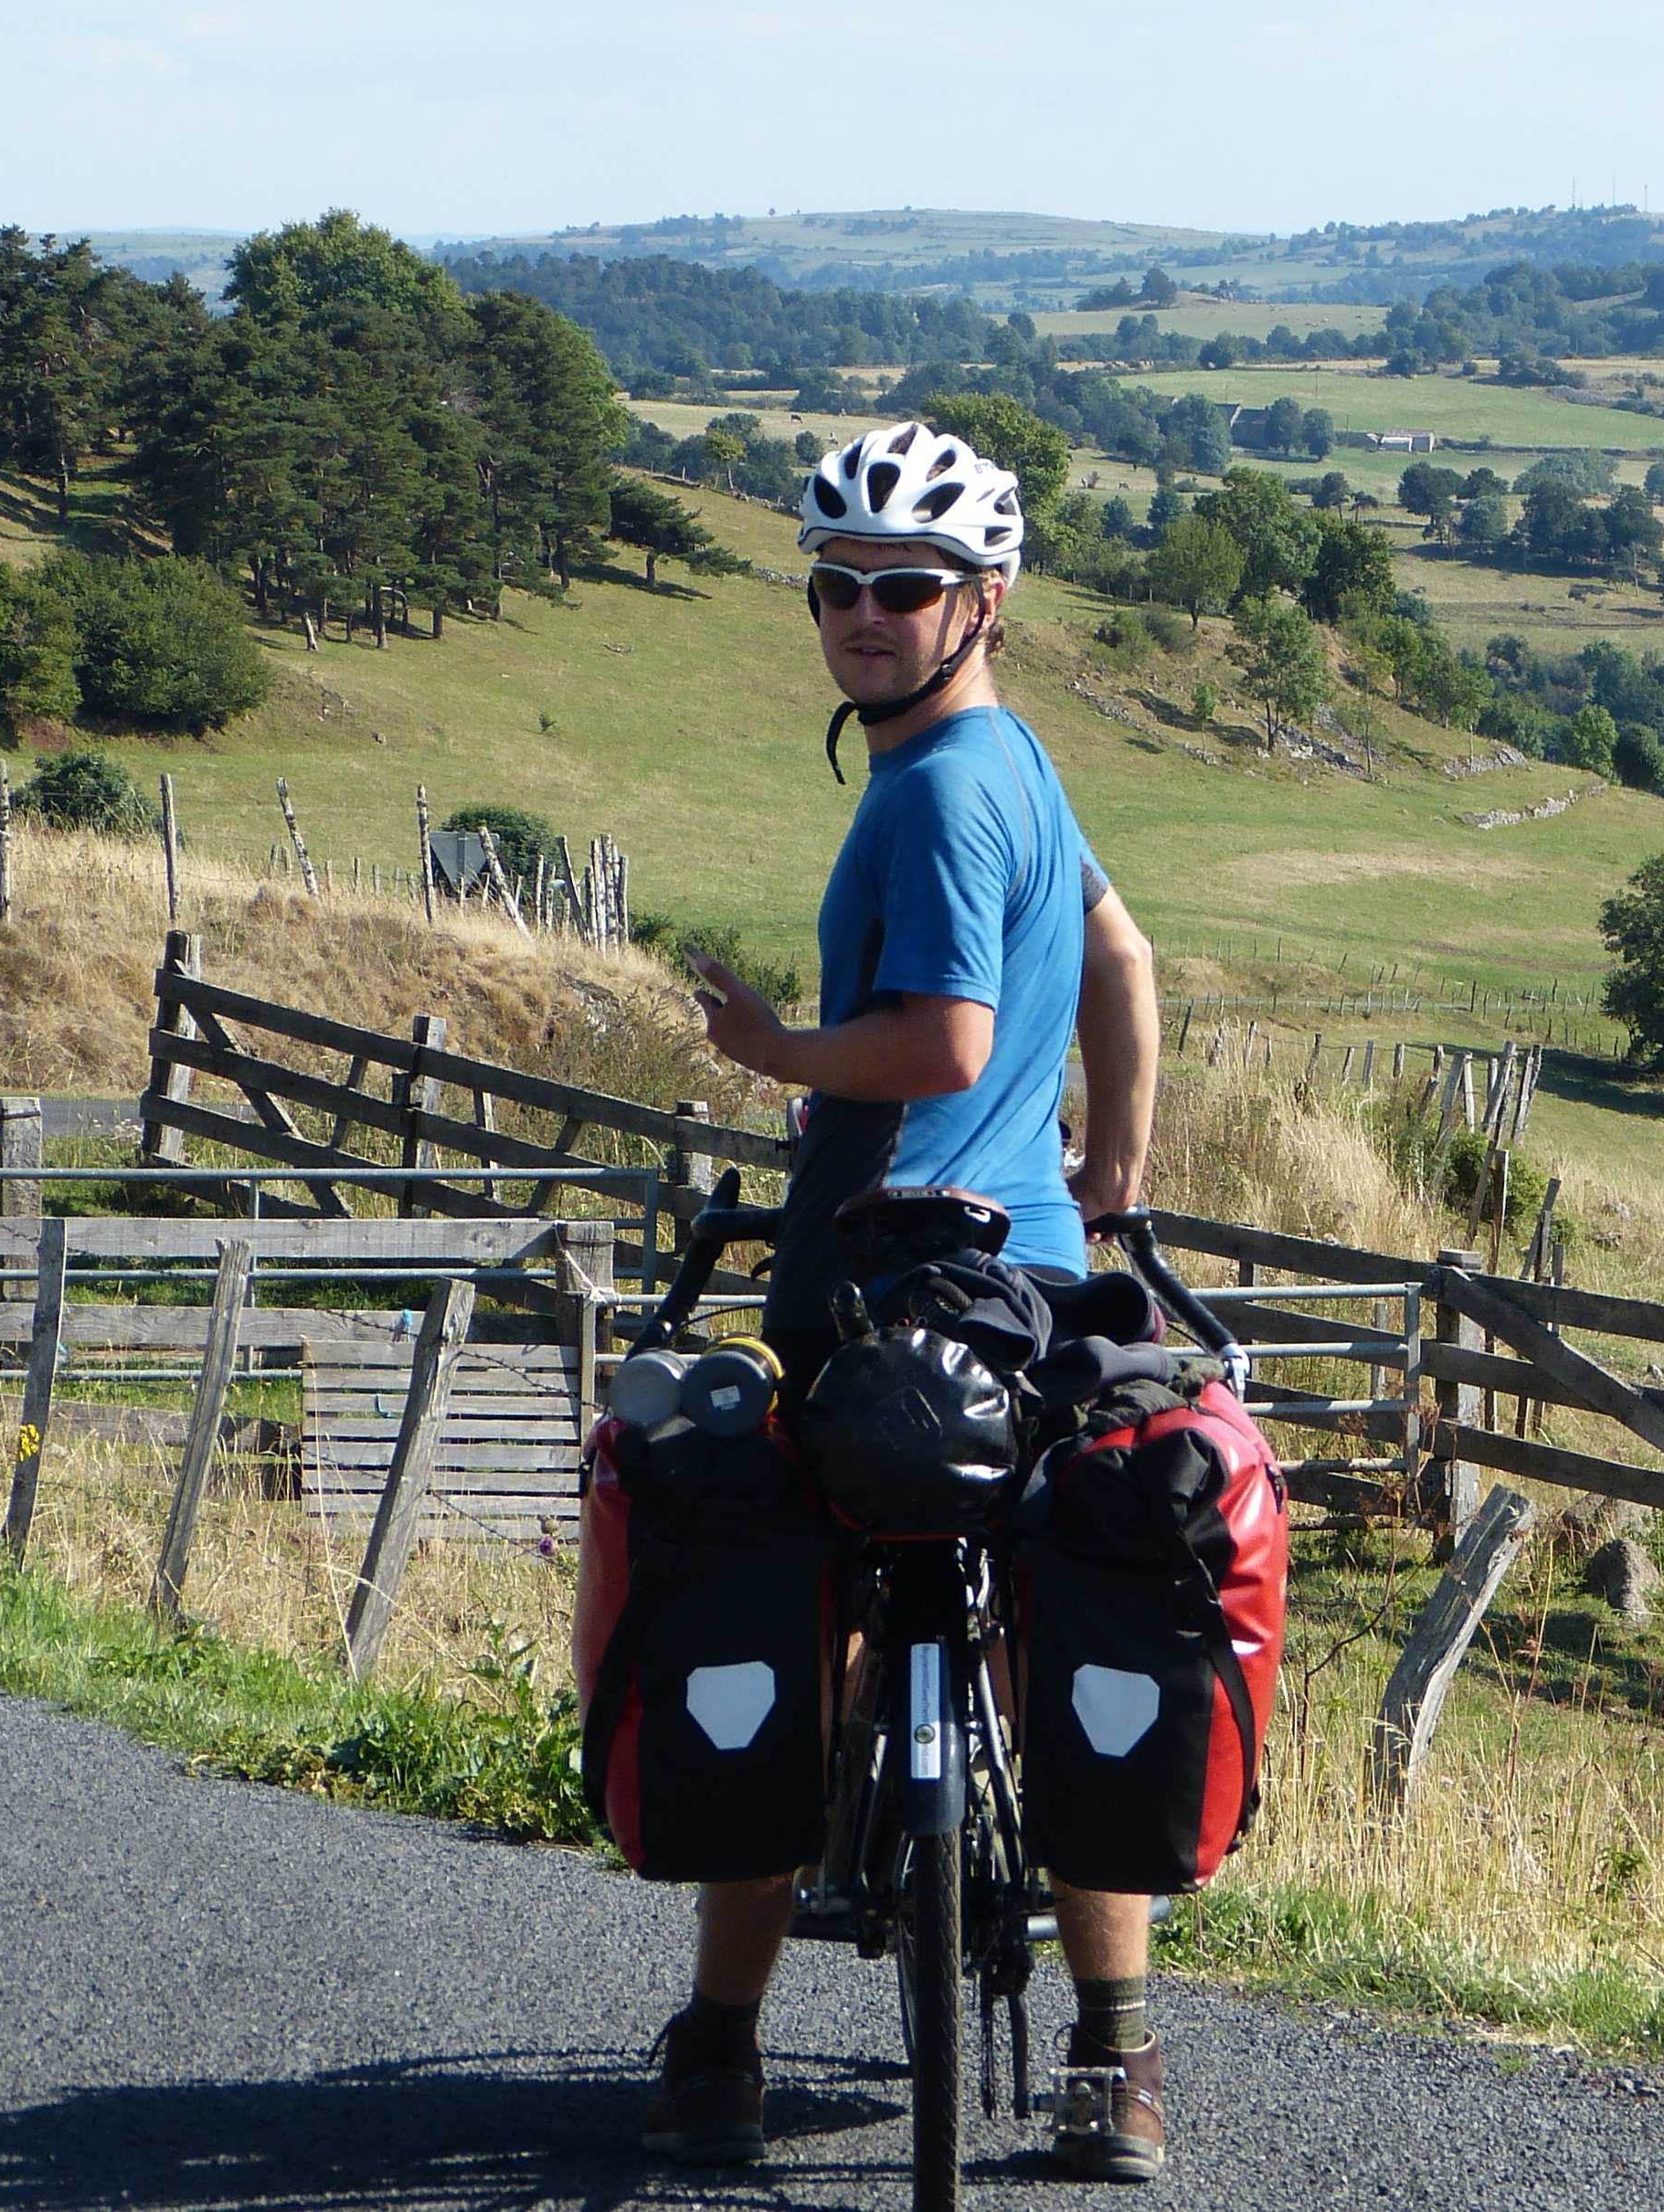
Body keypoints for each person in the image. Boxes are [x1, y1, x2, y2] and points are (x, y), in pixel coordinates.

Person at [651, 420, 1173, 2182]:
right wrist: (1113, 1163)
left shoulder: (938, 789)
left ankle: (725, 2042)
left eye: (906, 586)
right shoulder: (1016, 757)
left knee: (808, 1609)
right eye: (838, 584)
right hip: (1027, 1272)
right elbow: (1122, 953)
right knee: (1052, 1604)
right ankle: (1118, 2057)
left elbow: (943, 1038)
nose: (864, 615)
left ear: (986, 600)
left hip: (884, 1267)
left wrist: (773, 1051)